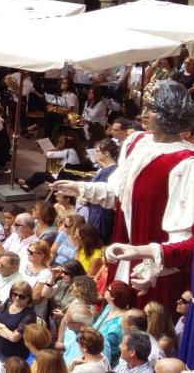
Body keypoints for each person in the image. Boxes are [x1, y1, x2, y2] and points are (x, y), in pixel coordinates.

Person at [53, 80, 194, 308]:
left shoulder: (187, 163)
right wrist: (81, 188)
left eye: (153, 109)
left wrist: (153, 264)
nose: (144, 114)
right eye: (145, 106)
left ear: (170, 113)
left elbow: (185, 236)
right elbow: (121, 195)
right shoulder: (137, 142)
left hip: (153, 271)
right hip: (123, 256)